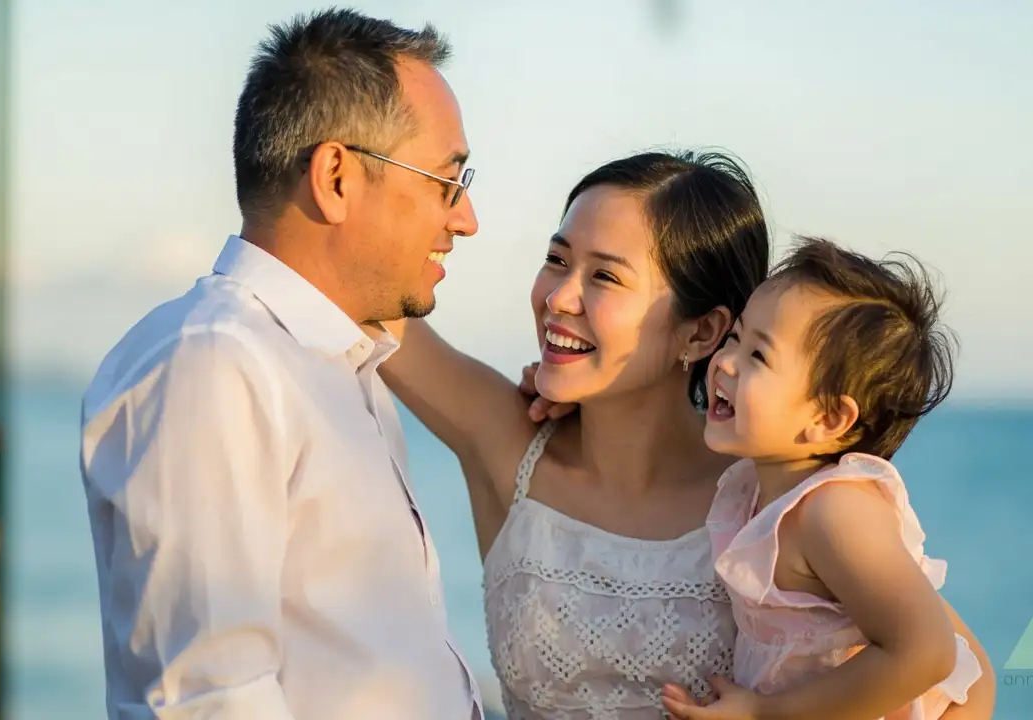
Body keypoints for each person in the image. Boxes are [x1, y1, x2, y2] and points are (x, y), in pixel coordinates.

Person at [380, 151, 995, 718]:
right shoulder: (506, 441)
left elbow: (964, 680)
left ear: (701, 333)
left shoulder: (776, 499)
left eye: (606, 278)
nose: (560, 297)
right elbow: (360, 292)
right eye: (558, 259)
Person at [78, 9, 484, 718]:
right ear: (334, 177)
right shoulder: (215, 365)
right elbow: (208, 696)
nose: (465, 218)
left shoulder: (338, 362)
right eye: (446, 181)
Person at [660, 237, 983, 720]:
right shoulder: (759, 483)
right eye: (734, 339)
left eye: (758, 357)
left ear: (830, 419)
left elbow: (931, 652)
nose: (725, 362)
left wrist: (762, 714)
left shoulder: (835, 511)